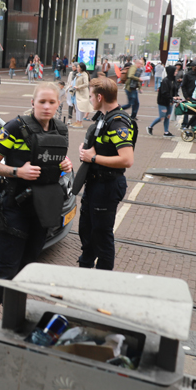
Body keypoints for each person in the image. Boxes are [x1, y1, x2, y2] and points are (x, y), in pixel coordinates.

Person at [0, 82, 72, 338]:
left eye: (52, 102)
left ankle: (13, 316)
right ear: (33, 103)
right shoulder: (15, 128)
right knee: (7, 268)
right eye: (42, 102)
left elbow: (53, 165)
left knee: (27, 268)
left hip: (43, 210)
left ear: (58, 103)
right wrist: (18, 172)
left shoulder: (61, 129)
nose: (47, 107)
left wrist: (65, 166)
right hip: (14, 207)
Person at [78, 77, 136, 271]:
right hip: (95, 184)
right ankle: (85, 270)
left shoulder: (118, 123)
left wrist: (93, 158)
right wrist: (86, 150)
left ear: (100, 97)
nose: (90, 99)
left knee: (102, 238)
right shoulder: (104, 116)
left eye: (91, 95)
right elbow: (101, 147)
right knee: (87, 231)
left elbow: (127, 159)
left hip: (107, 185)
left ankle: (103, 280)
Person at [148, 66, 178, 137]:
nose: (176, 72)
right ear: (171, 72)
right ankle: (150, 127)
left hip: (170, 101)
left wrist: (176, 96)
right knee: (162, 117)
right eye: (175, 71)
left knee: (168, 116)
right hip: (163, 102)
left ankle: (166, 132)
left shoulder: (173, 80)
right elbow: (164, 92)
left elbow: (174, 90)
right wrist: (172, 97)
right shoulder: (165, 80)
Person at [180, 61, 196, 128]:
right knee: (187, 111)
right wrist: (186, 96)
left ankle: (195, 124)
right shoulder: (187, 75)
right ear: (192, 67)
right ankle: (184, 124)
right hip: (190, 96)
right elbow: (183, 86)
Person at [72, 62, 92, 127]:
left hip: (82, 93)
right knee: (77, 107)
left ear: (81, 68)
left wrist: (78, 87)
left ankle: (80, 122)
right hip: (77, 93)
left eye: (78, 67)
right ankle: (77, 121)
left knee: (81, 108)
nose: (77, 68)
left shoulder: (84, 74)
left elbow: (86, 84)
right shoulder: (78, 74)